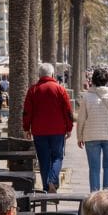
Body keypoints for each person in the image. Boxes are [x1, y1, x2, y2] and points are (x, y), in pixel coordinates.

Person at [24, 63, 73, 193]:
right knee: (57, 157)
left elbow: (27, 111)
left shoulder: (33, 90)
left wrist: (26, 128)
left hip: (39, 131)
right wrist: (69, 128)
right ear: (52, 75)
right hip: (58, 130)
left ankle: (46, 187)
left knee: (43, 158)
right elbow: (67, 110)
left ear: (39, 75)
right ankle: (52, 181)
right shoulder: (60, 89)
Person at [76, 68, 108, 192]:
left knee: (94, 168)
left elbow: (81, 119)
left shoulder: (87, 97)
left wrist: (79, 136)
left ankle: (94, 197)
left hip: (91, 137)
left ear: (93, 80)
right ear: (107, 80)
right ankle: (107, 196)